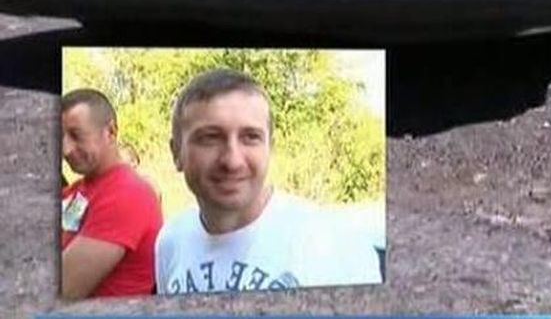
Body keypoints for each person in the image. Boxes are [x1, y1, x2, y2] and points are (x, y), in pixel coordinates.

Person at [156, 68, 382, 294]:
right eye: (210, 138)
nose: (232, 161)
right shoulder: (171, 241)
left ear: (269, 148)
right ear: (176, 153)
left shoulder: (335, 246)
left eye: (250, 137)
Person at [61, 89, 163, 299]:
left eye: (76, 136)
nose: (66, 150)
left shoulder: (128, 193)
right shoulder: (78, 189)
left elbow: (61, 290)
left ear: (111, 132)